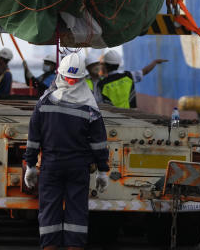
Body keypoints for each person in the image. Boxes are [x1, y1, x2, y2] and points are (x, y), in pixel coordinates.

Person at [24, 53, 110, 250]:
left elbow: (33, 139)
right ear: (82, 79)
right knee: (77, 214)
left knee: (48, 213)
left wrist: (30, 165)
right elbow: (98, 143)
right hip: (78, 168)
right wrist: (103, 171)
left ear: (59, 75)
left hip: (51, 166)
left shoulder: (44, 103)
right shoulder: (90, 107)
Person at [96, 50, 167, 109]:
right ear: (119, 63)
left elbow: (99, 103)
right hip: (132, 115)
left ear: (105, 65)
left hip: (113, 118)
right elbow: (145, 71)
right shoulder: (129, 76)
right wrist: (154, 62)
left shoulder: (101, 84)